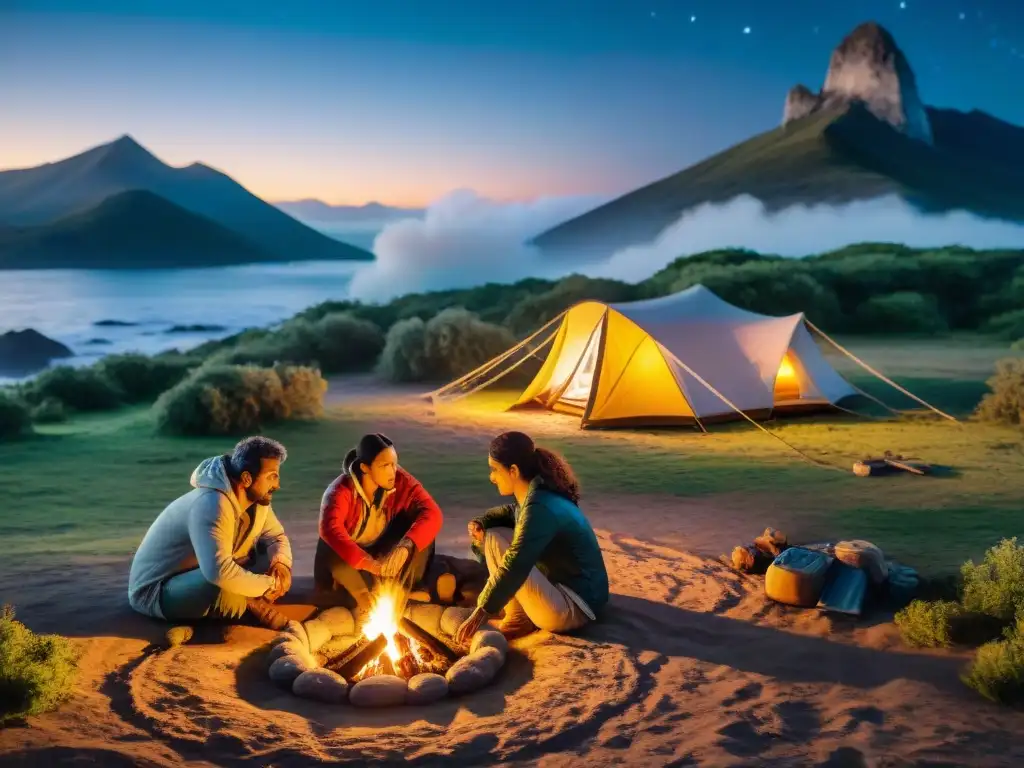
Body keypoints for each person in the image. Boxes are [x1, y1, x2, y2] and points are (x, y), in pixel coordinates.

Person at [455, 431, 609, 645]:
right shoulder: (539, 493)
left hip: (573, 609)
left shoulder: (539, 507)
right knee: (495, 532)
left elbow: (516, 563)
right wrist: (483, 521)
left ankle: (518, 620)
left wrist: (482, 611)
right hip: (582, 595)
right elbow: (513, 512)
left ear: (513, 470)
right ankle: (520, 616)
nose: (491, 477)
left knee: (497, 542)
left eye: (494, 470)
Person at [127, 436, 294, 633]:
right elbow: (219, 572)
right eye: (271, 476)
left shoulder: (257, 502)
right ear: (247, 478)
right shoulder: (211, 503)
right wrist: (270, 585)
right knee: (220, 583)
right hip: (158, 592)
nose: (277, 485)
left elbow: (276, 537)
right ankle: (249, 605)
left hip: (204, 572)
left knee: (269, 556)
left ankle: (235, 604)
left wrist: (280, 566)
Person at [314, 433, 444, 615]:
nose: (393, 471)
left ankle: (405, 588)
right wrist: (371, 565)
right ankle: (363, 595)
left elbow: (433, 513)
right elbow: (331, 531)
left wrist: (405, 547)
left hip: (378, 554)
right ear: (365, 467)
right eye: (385, 466)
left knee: (420, 526)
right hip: (347, 564)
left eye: (394, 464)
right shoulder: (339, 491)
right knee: (332, 547)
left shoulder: (399, 480)